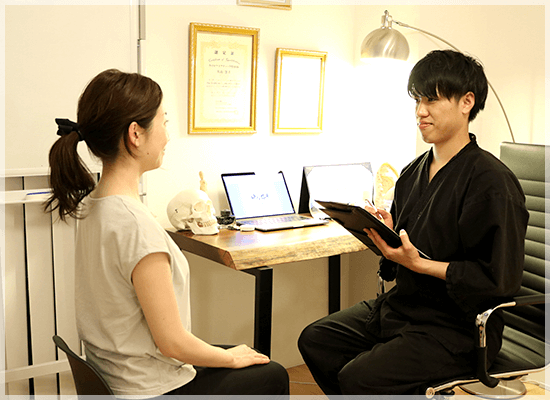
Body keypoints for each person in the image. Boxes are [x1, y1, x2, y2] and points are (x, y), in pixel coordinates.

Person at [45, 69, 289, 398]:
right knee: (271, 374)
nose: (167, 136)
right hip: (151, 387)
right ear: (135, 134)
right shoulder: (134, 225)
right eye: (164, 121)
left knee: (241, 358)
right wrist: (230, 358)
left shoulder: (92, 205)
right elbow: (173, 343)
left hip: (113, 377)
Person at [298, 50, 528, 395]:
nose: (421, 111)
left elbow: (500, 280)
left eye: (432, 99)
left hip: (459, 327)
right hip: (405, 307)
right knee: (317, 340)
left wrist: (421, 264)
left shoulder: (492, 183)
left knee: (358, 377)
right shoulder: (412, 172)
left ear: (467, 102)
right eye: (418, 100)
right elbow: (406, 253)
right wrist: (388, 233)